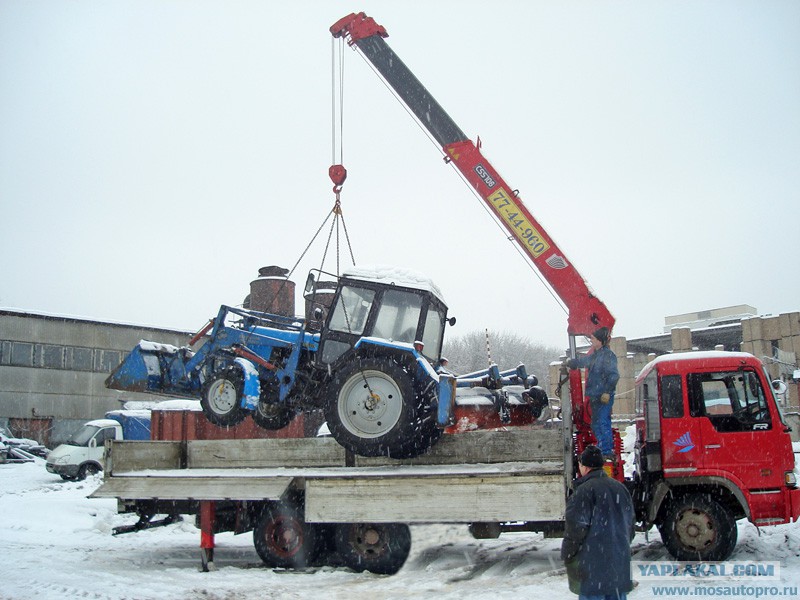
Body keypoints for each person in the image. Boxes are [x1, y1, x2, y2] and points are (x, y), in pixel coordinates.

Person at [561, 445, 635, 600]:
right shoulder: (620, 488)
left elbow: (576, 529)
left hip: (593, 570)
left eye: (580, 464)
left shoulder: (583, 492)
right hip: (618, 568)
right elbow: (630, 526)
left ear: (585, 467)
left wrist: (568, 553)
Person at [566, 327, 619, 460]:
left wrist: (607, 391)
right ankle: (602, 447)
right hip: (595, 396)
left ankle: (606, 450)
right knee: (596, 423)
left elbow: (614, 375)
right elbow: (585, 361)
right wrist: (574, 363)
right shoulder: (596, 355)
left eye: (593, 338)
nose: (591, 340)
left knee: (602, 422)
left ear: (600, 340)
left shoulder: (608, 355)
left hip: (603, 396)